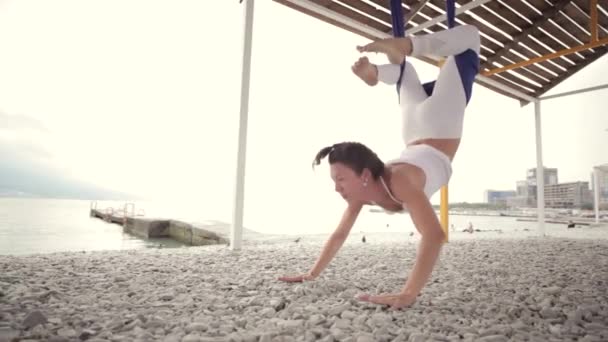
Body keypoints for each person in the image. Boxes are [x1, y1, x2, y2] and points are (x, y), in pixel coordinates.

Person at [278, 25, 480, 309]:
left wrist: (408, 294)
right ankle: (384, 69)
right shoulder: (366, 189)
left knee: (470, 38)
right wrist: (311, 274)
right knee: (406, 73)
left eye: (340, 180)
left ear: (363, 175)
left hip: (438, 128)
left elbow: (434, 235)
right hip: (413, 129)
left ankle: (405, 50)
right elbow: (339, 235)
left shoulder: (399, 180)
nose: (337, 188)